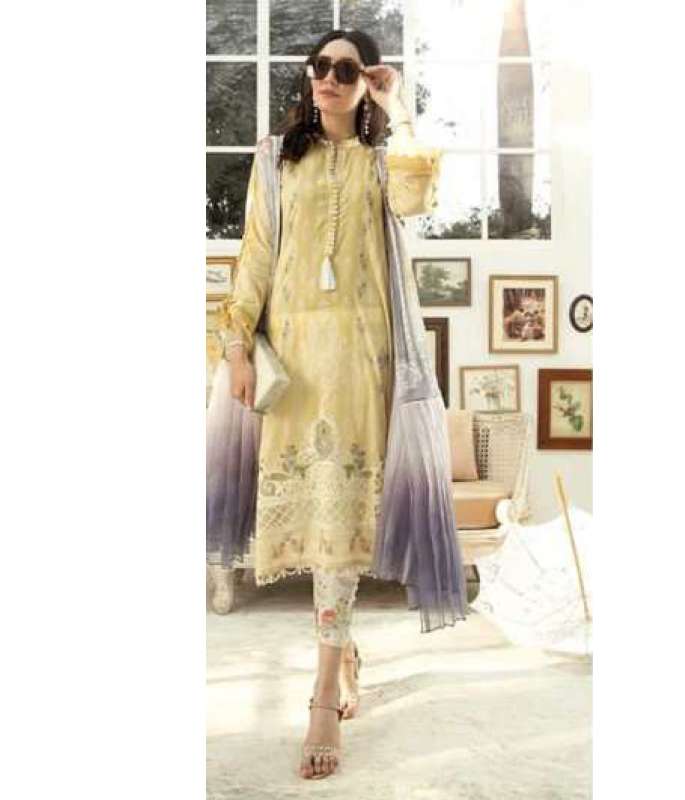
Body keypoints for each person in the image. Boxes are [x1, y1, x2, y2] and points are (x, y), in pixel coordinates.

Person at [217, 29, 442, 779]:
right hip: (296, 363)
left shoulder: (381, 161)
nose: (330, 79)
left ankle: (320, 695)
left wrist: (397, 106)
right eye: (321, 66)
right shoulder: (274, 158)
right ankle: (341, 650)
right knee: (313, 518)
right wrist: (236, 347)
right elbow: (255, 255)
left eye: (347, 69)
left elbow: (417, 197)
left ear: (363, 80)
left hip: (363, 359)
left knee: (343, 523)